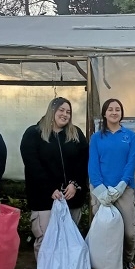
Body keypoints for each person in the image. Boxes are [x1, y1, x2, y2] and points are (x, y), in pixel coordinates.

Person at [20, 97, 89, 260]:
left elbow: (83, 162)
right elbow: (32, 164)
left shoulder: (76, 133)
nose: (65, 114)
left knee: (68, 238)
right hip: (44, 199)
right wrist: (50, 188)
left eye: (68, 112)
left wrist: (74, 184)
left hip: (71, 197)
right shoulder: (33, 133)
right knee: (45, 239)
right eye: (61, 110)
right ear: (52, 110)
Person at [89, 98, 135, 269]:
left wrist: (122, 185)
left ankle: (126, 261)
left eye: (118, 109)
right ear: (104, 113)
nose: (114, 112)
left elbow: (131, 163)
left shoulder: (130, 136)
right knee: (105, 231)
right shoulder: (96, 137)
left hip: (124, 190)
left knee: (129, 232)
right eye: (110, 109)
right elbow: (93, 165)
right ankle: (106, 266)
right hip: (101, 192)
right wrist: (100, 189)